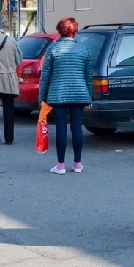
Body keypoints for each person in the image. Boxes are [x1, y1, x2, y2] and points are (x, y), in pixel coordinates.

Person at [38, 17, 93, 174]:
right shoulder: (84, 50)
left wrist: (42, 97)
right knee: (77, 128)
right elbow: (88, 75)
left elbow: (46, 75)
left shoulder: (53, 49)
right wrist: (89, 96)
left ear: (60, 31)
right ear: (75, 31)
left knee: (61, 128)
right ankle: (77, 164)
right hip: (79, 93)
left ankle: (60, 165)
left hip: (57, 94)